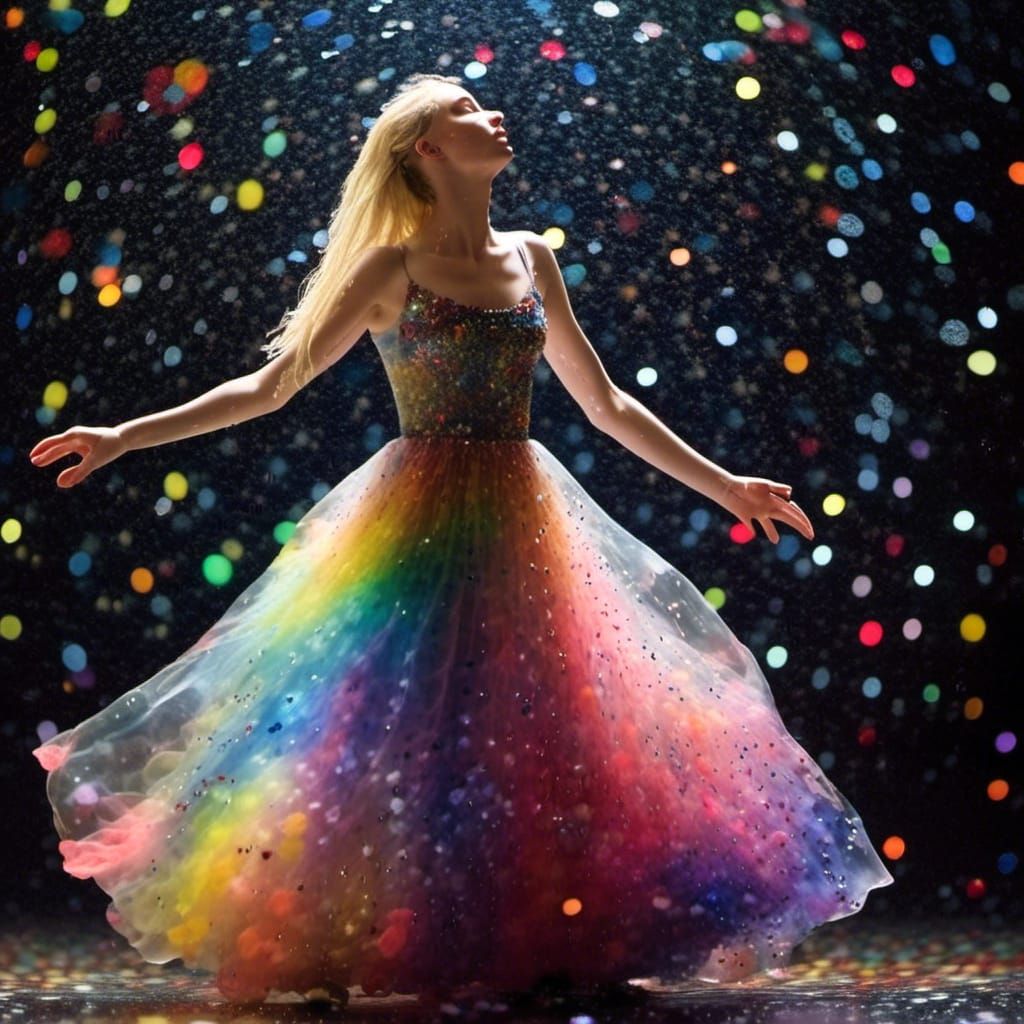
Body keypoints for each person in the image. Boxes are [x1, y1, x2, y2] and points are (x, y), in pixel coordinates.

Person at [29, 72, 893, 1005]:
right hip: (415, 525)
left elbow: (603, 404)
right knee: (395, 730)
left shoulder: (532, 258)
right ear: (427, 152)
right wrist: (122, 436)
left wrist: (723, 485)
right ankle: (377, 922)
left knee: (539, 725)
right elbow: (269, 387)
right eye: (467, 114)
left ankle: (544, 922)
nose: (496, 116)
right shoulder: (390, 269)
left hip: (527, 520)